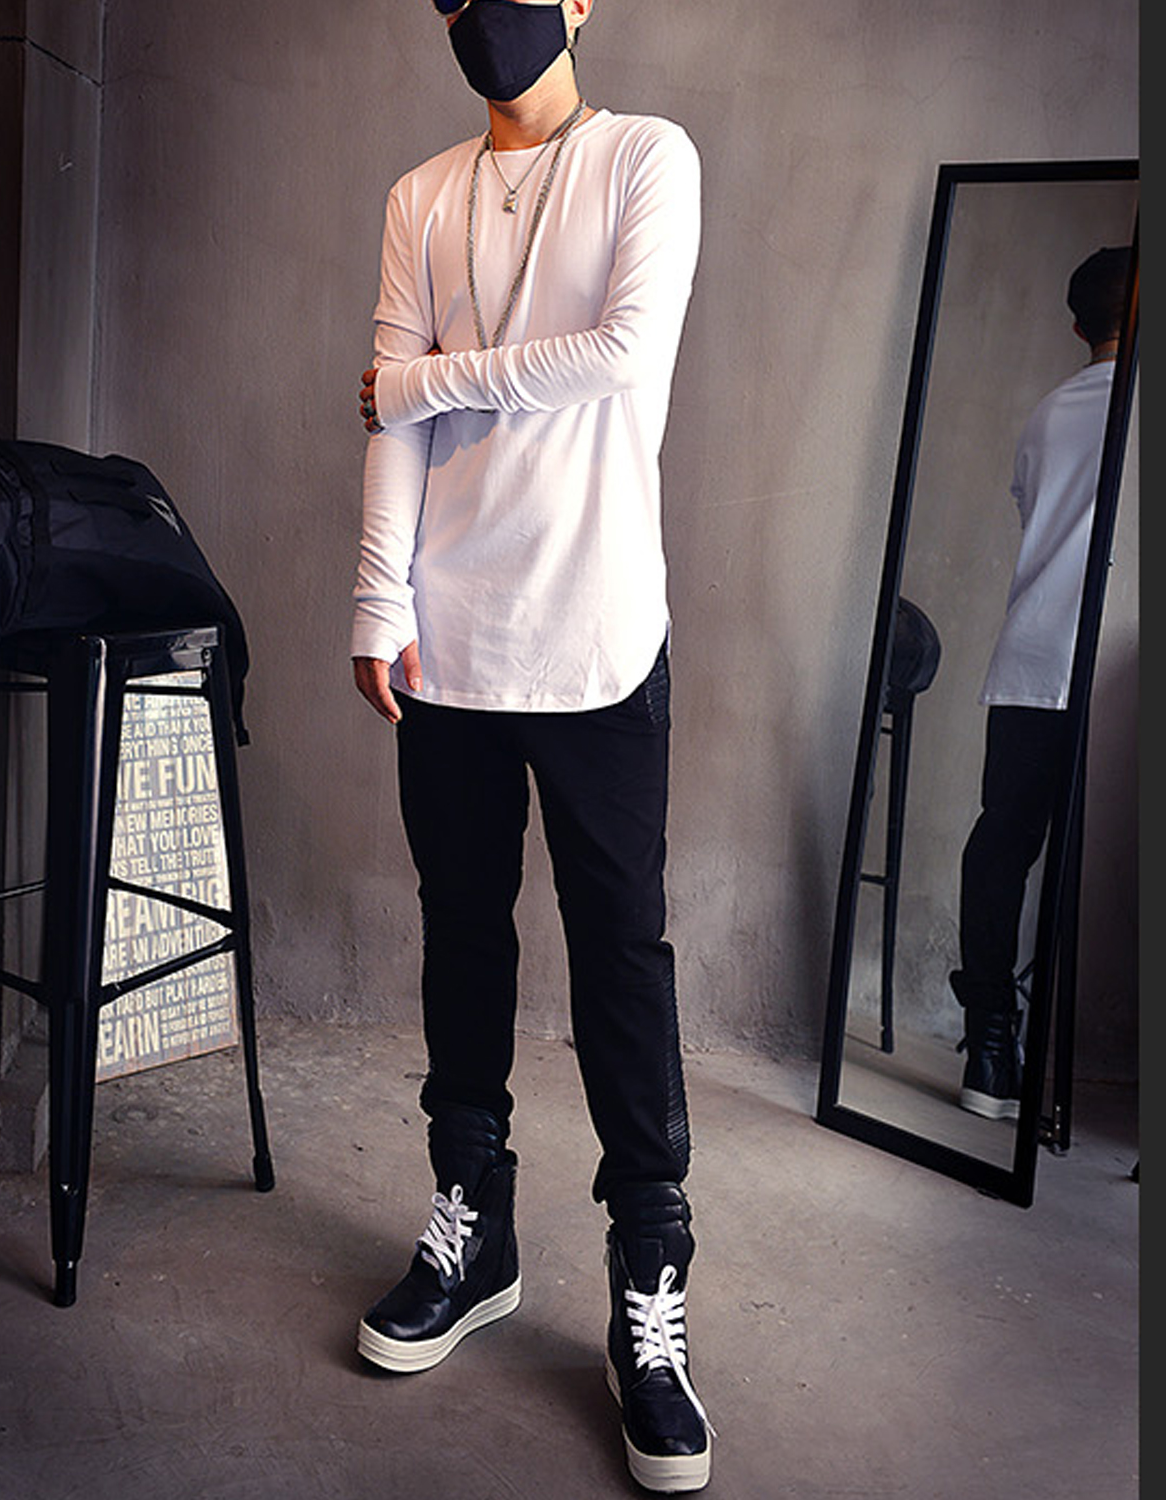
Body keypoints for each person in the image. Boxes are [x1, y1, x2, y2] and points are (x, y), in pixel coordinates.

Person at [347, 3, 710, 1491]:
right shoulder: (418, 196)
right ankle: (473, 1225)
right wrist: (376, 603)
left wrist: (423, 377)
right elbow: (390, 431)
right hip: (451, 642)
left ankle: (650, 1289)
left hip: (600, 636)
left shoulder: (647, 159)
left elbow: (620, 353)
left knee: (621, 951)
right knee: (463, 935)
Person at [951, 245, 1132, 1121]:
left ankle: (989, 1049)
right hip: (1111, 668)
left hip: (1030, 658)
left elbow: (1034, 519)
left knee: (1002, 848)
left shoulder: (1048, 412)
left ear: (1075, 325)